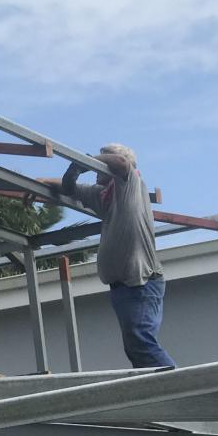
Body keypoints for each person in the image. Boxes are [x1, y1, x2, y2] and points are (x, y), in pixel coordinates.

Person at [61, 143, 175, 369]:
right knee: (134, 347)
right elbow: (69, 188)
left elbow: (122, 163)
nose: (96, 170)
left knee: (141, 343)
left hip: (141, 282)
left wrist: (87, 160)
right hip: (123, 287)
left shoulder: (130, 183)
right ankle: (157, 385)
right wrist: (41, 184)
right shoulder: (102, 195)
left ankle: (182, 383)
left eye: (102, 163)